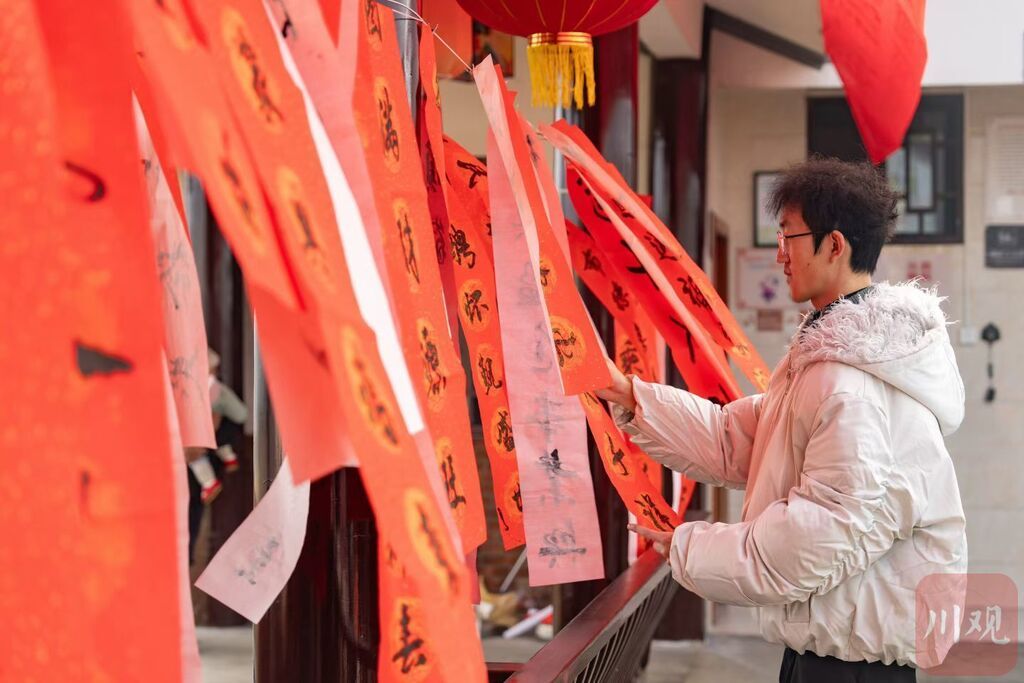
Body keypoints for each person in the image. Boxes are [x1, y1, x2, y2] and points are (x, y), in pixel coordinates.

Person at [599, 158, 967, 682]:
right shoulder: (832, 358)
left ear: (834, 245)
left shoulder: (852, 382)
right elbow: (737, 439)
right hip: (830, 655)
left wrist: (689, 547)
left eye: (789, 236)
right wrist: (627, 393)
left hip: (850, 668)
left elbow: (820, 537)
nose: (779, 254)